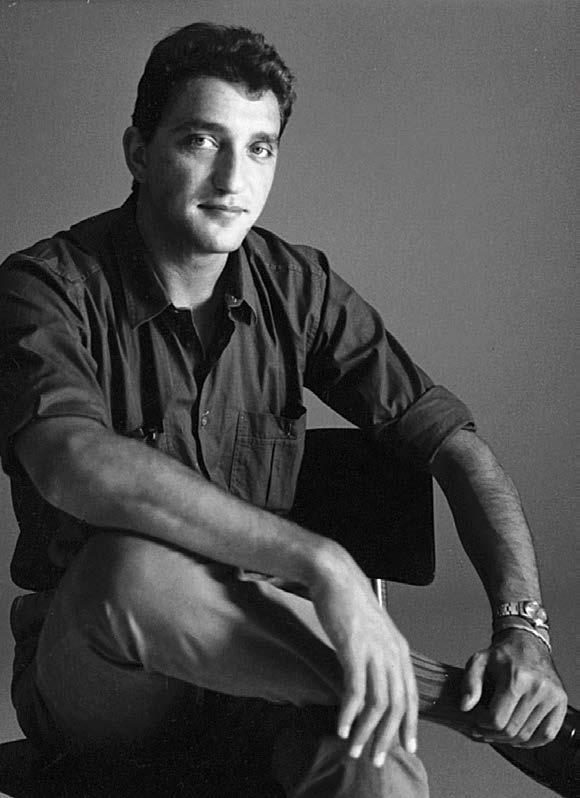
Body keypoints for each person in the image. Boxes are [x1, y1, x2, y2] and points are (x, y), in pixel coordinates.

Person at [0, 22, 567, 798]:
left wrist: (522, 627)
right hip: (104, 678)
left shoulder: (298, 287)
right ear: (138, 151)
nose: (233, 177)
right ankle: (462, 702)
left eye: (260, 148)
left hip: (268, 675)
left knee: (375, 767)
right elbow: (73, 463)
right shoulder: (44, 287)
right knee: (126, 570)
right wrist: (322, 563)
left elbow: (456, 448)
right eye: (202, 140)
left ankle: (438, 700)